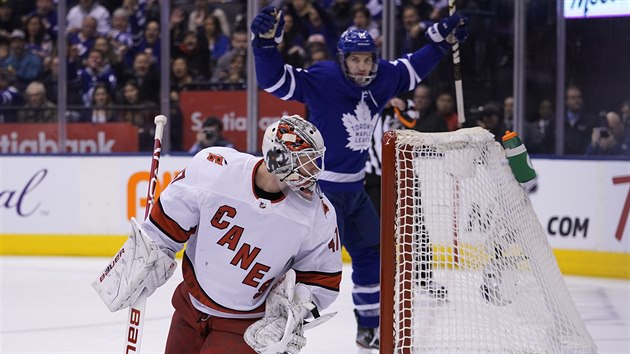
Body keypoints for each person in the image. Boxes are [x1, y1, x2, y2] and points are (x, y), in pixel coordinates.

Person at [251, 6, 468, 349]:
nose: (363, 67)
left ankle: (368, 326)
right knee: (296, 261)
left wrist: (439, 42)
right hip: (317, 191)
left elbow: (411, 69)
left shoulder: (382, 78)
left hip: (355, 189)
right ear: (342, 60)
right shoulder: (324, 79)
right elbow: (274, 80)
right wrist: (263, 46)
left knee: (370, 254)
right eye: (355, 60)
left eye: (368, 60)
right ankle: (269, 323)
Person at [93, 115, 343, 354]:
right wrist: (147, 252)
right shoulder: (216, 169)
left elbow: (322, 279)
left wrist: (291, 313)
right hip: (189, 309)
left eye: (314, 160)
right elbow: (166, 226)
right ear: (278, 157)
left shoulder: (317, 215)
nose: (313, 169)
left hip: (246, 328)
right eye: (305, 160)